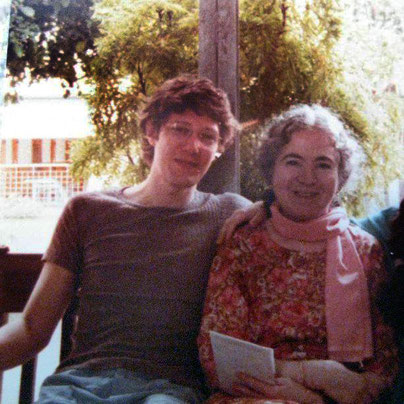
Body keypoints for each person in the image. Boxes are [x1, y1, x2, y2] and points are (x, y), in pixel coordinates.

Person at [0, 75, 251, 403]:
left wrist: (269, 206)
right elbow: (31, 330)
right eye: (180, 129)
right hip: (81, 384)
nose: (194, 147)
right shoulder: (87, 211)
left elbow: (293, 219)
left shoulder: (228, 214)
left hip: (171, 390)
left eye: (208, 136)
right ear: (152, 132)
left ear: (219, 148)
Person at [198, 104, 398, 403]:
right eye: (293, 162)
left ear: (341, 176)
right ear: (271, 169)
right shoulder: (242, 243)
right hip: (258, 395)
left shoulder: (366, 250)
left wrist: (319, 399)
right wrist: (308, 375)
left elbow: (383, 369)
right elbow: (217, 358)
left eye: (323, 164)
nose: (308, 177)